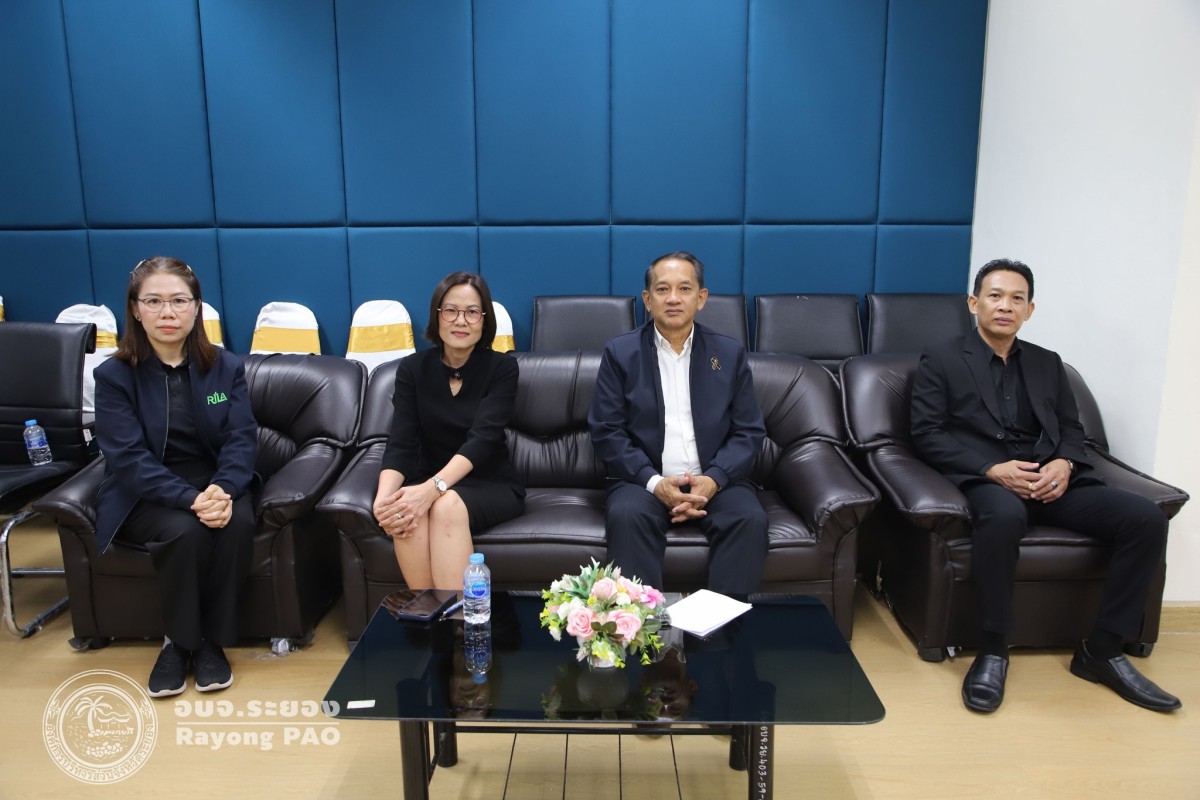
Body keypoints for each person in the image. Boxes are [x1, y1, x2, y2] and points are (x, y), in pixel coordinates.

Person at [910, 258, 1180, 714]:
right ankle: (993, 649)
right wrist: (992, 469)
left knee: (1146, 519)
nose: (1005, 306)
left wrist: (1064, 463)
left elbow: (1072, 429)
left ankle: (1103, 651)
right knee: (1002, 518)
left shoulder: (1048, 363)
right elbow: (927, 434)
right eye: (995, 296)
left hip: (1050, 480)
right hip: (990, 478)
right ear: (974, 303)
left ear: (1030, 310)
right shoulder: (941, 358)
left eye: (1017, 299)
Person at [94, 257, 258, 698]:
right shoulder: (113, 376)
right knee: (185, 531)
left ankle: (210, 643)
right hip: (144, 491)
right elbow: (128, 458)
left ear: (196, 307)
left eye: (179, 301)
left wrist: (223, 489)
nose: (167, 312)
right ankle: (179, 642)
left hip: (216, 481)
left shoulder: (224, 367)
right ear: (135, 309)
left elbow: (242, 438)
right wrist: (190, 499)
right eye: (154, 301)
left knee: (238, 522)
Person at [588, 251, 767, 597]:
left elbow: (749, 430)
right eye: (662, 289)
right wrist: (655, 483)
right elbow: (606, 430)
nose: (673, 298)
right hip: (643, 481)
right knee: (627, 516)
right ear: (647, 299)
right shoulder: (621, 354)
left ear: (701, 298)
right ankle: (643, 629)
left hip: (716, 480)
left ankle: (719, 630)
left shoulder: (728, 354)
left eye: (684, 289)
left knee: (749, 520)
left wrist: (714, 480)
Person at [373, 272, 524, 590]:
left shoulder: (502, 368)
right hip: (427, 477)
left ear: (484, 320)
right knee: (406, 511)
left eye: (472, 312)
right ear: (437, 315)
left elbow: (482, 440)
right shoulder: (412, 369)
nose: (461, 321)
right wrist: (384, 502)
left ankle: (458, 617)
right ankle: (430, 617)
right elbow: (401, 442)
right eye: (451, 310)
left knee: (445, 505)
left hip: (490, 483)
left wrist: (432, 489)